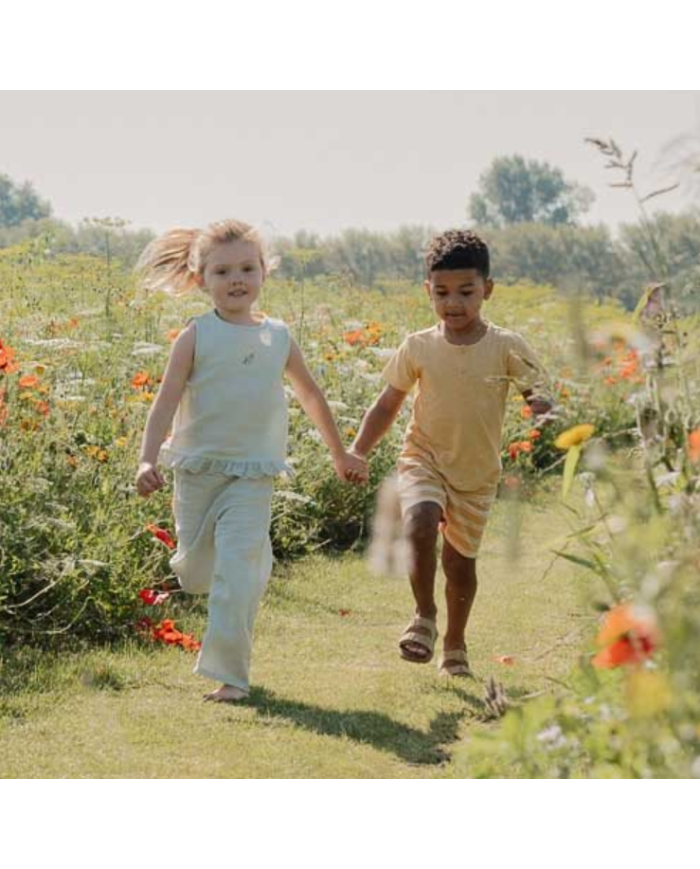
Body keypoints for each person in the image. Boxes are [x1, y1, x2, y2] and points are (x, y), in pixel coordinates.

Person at [134, 219, 367, 702]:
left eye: (246, 268)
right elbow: (164, 401)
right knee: (196, 573)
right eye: (222, 271)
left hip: (253, 473)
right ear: (201, 280)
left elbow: (311, 395)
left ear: (264, 272)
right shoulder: (195, 335)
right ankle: (246, 564)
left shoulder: (278, 337)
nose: (236, 279)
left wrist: (340, 452)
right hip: (198, 470)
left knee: (236, 571)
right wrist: (145, 459)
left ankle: (231, 677)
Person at [350, 229, 551, 677]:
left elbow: (538, 392)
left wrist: (543, 410)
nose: (453, 303)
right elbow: (387, 404)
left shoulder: (506, 345)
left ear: (488, 290)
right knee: (419, 521)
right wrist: (358, 451)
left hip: (477, 472)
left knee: (459, 565)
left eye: (466, 292)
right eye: (441, 293)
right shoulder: (419, 346)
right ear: (428, 291)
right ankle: (424, 617)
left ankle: (455, 642)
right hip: (424, 456)